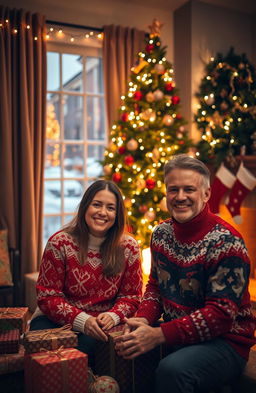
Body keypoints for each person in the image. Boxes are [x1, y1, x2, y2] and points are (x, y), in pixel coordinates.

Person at [115, 154, 256, 393]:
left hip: (225, 341)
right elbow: (156, 287)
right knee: (125, 349)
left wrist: (160, 334)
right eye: (173, 189)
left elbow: (220, 315)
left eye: (189, 189)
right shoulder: (160, 233)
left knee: (173, 370)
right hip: (178, 331)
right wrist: (144, 318)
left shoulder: (226, 243)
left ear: (206, 194)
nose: (180, 197)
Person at [30, 179, 143, 367]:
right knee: (58, 361)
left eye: (110, 208)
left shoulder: (128, 247)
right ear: (85, 207)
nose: (102, 212)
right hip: (54, 320)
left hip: (102, 323)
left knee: (94, 349)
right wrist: (82, 320)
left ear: (118, 214)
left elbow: (131, 296)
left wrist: (113, 315)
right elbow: (47, 296)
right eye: (96, 205)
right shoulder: (59, 243)